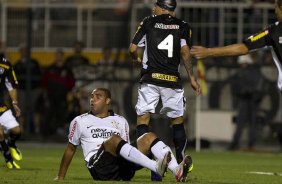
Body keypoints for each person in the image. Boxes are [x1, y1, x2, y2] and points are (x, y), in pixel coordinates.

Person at [129, 0, 201, 180]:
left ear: (162, 7)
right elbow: (185, 53)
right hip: (172, 81)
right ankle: (180, 161)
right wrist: (191, 77)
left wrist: (136, 58)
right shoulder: (184, 26)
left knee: (143, 121)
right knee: (177, 122)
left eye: (156, 6)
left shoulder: (148, 21)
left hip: (150, 80)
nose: (153, 9)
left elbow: (132, 48)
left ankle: (151, 163)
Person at [55, 88, 192, 182]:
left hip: (122, 169)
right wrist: (61, 177)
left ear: (107, 101)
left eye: (98, 97)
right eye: (92, 97)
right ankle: (155, 166)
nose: (92, 100)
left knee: (149, 136)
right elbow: (70, 149)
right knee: (114, 139)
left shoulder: (121, 121)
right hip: (99, 168)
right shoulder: (79, 121)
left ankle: (177, 170)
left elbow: (126, 148)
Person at [191, 0, 282, 91]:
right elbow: (244, 47)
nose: (275, 11)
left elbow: (243, 47)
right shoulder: (273, 31)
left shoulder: (273, 31)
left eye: (275, 7)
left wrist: (208, 52)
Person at [229, 54, 265, 151]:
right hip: (244, 100)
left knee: (252, 124)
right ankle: (235, 143)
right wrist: (243, 92)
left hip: (253, 101)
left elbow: (259, 86)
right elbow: (235, 87)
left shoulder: (254, 72)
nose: (242, 65)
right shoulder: (240, 73)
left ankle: (251, 144)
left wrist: (252, 93)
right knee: (241, 123)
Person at [41, 49, 75, 137]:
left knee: (62, 114)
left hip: (63, 97)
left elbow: (72, 85)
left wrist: (70, 98)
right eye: (57, 55)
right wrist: (45, 96)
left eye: (60, 56)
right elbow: (44, 84)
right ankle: (47, 134)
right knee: (49, 114)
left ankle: (60, 133)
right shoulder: (50, 69)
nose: (58, 58)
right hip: (51, 96)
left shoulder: (67, 70)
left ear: (63, 57)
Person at [13, 43, 42, 134]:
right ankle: (21, 128)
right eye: (22, 50)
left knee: (35, 108)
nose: (24, 52)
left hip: (34, 89)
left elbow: (39, 76)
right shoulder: (17, 64)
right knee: (21, 109)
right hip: (22, 90)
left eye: (25, 50)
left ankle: (36, 129)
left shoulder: (34, 62)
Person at [0, 57, 22, 169]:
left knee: (17, 131)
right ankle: (9, 160)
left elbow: (11, 86)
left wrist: (14, 103)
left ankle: (11, 144)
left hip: (1, 107)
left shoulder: (5, 64)